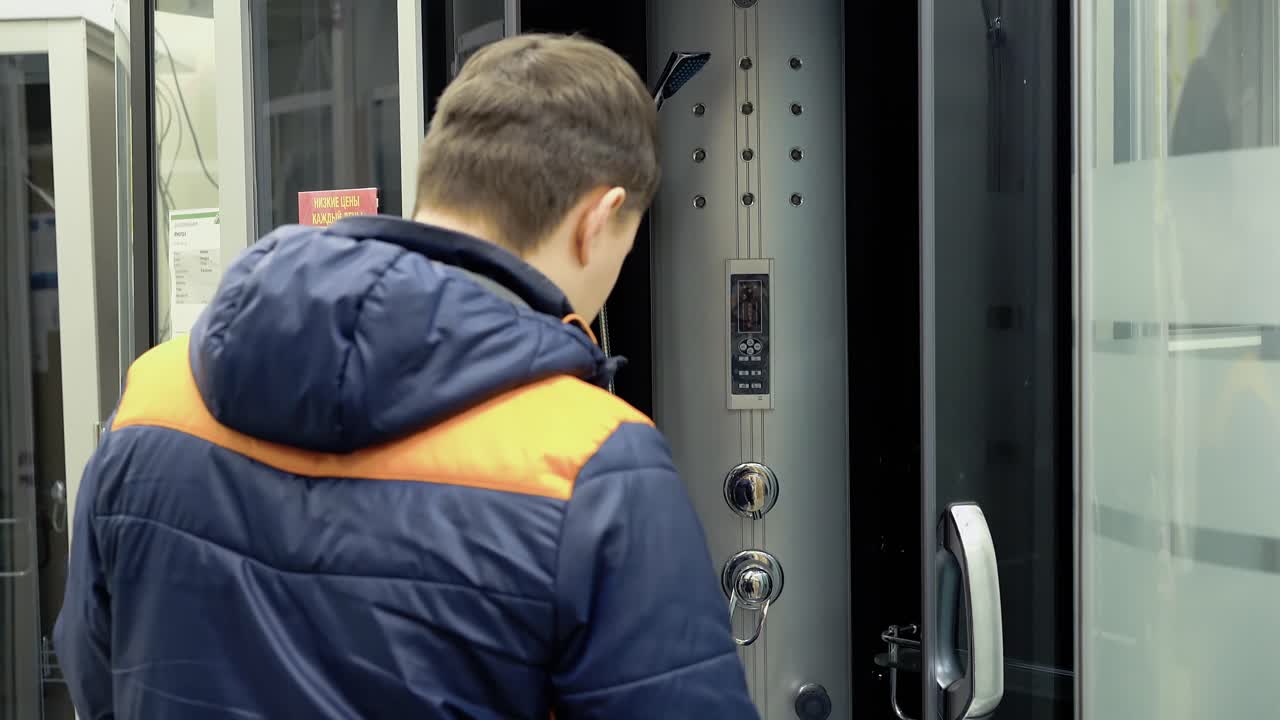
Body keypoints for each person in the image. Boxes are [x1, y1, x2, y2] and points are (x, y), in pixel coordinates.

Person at [54, 33, 758, 719]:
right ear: (598, 220)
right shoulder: (590, 463)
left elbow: (97, 675)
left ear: (438, 179)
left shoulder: (157, 394)